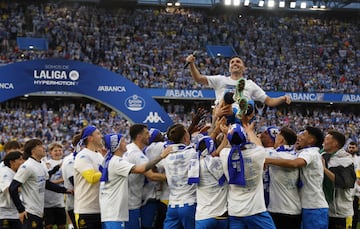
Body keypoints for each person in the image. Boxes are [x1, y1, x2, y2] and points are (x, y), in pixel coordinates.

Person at [99, 133, 172, 229]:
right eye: (123, 141)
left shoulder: (109, 160)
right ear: (117, 145)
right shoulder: (117, 162)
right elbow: (141, 169)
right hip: (115, 213)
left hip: (109, 211)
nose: (126, 143)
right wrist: (161, 156)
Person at [185, 54, 291, 118]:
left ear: (244, 68)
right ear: (229, 68)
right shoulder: (220, 80)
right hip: (222, 115)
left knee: (249, 104)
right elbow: (198, 78)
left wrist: (282, 98)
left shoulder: (250, 84)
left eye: (238, 62)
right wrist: (191, 64)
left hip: (241, 118)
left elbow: (269, 101)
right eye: (232, 62)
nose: (235, 63)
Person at [265, 126, 329, 229]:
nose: (299, 136)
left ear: (311, 140)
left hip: (314, 206)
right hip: (306, 205)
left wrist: (268, 160)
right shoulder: (305, 152)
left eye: (304, 134)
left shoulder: (310, 153)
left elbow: (295, 163)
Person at [218, 123, 276, 229]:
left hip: (235, 211)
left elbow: (228, 146)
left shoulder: (224, 154)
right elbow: (257, 144)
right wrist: (249, 130)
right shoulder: (257, 154)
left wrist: (226, 133)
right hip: (256, 210)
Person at [9, 139, 72, 229]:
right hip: (29, 212)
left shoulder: (41, 164)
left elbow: (47, 184)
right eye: (40, 146)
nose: (44, 148)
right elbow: (13, 188)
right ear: (33, 150)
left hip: (39, 211)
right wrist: (21, 210)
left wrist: (66, 190)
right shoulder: (27, 166)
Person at [122, 124, 166, 229]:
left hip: (125, 200)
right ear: (139, 137)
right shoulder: (137, 155)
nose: (149, 136)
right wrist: (171, 177)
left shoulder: (128, 149)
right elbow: (151, 176)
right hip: (131, 203)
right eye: (146, 133)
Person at [156, 123, 198, 229]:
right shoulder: (192, 153)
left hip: (172, 205)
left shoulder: (167, 155)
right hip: (189, 203)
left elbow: (156, 164)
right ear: (185, 137)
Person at [266, 127, 302, 229]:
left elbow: (258, 150)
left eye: (277, 136)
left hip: (279, 209)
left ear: (281, 140)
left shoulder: (276, 155)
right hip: (295, 209)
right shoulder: (297, 154)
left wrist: (249, 131)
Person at [322, 130, 356, 229]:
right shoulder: (323, 156)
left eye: (327, 139)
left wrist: (324, 169)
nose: (324, 142)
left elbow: (345, 183)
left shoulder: (345, 160)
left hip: (342, 212)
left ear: (335, 143)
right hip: (327, 210)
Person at [193, 135, 229, 229]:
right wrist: (226, 135)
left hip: (204, 215)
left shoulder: (194, 164)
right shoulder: (221, 162)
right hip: (222, 214)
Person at [73, 125, 104, 229]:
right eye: (98, 134)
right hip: (85, 210)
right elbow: (91, 178)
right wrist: (109, 172)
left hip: (100, 208)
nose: (101, 136)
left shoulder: (99, 155)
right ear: (90, 138)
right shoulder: (83, 156)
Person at [44, 142, 66, 229]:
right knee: (48, 225)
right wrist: (52, 183)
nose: (58, 152)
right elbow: (45, 179)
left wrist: (51, 183)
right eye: (55, 150)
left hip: (59, 200)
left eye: (60, 150)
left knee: (62, 225)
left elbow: (66, 178)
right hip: (47, 201)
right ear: (50, 152)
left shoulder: (65, 162)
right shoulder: (46, 163)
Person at [0, 151, 24, 229]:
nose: (22, 162)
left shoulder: (16, 172)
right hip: (5, 212)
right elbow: (9, 188)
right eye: (20, 159)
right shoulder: (5, 172)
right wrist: (26, 189)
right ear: (11, 162)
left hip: (15, 211)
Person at [61, 135, 81, 229]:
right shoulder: (71, 160)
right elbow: (74, 182)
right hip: (76, 204)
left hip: (84, 204)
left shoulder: (82, 158)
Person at [347, 141, 360, 229]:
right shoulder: (344, 159)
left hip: (357, 188)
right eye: (350, 147)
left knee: (355, 210)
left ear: (356, 148)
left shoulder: (359, 159)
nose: (351, 149)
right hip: (348, 188)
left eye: (353, 147)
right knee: (348, 210)